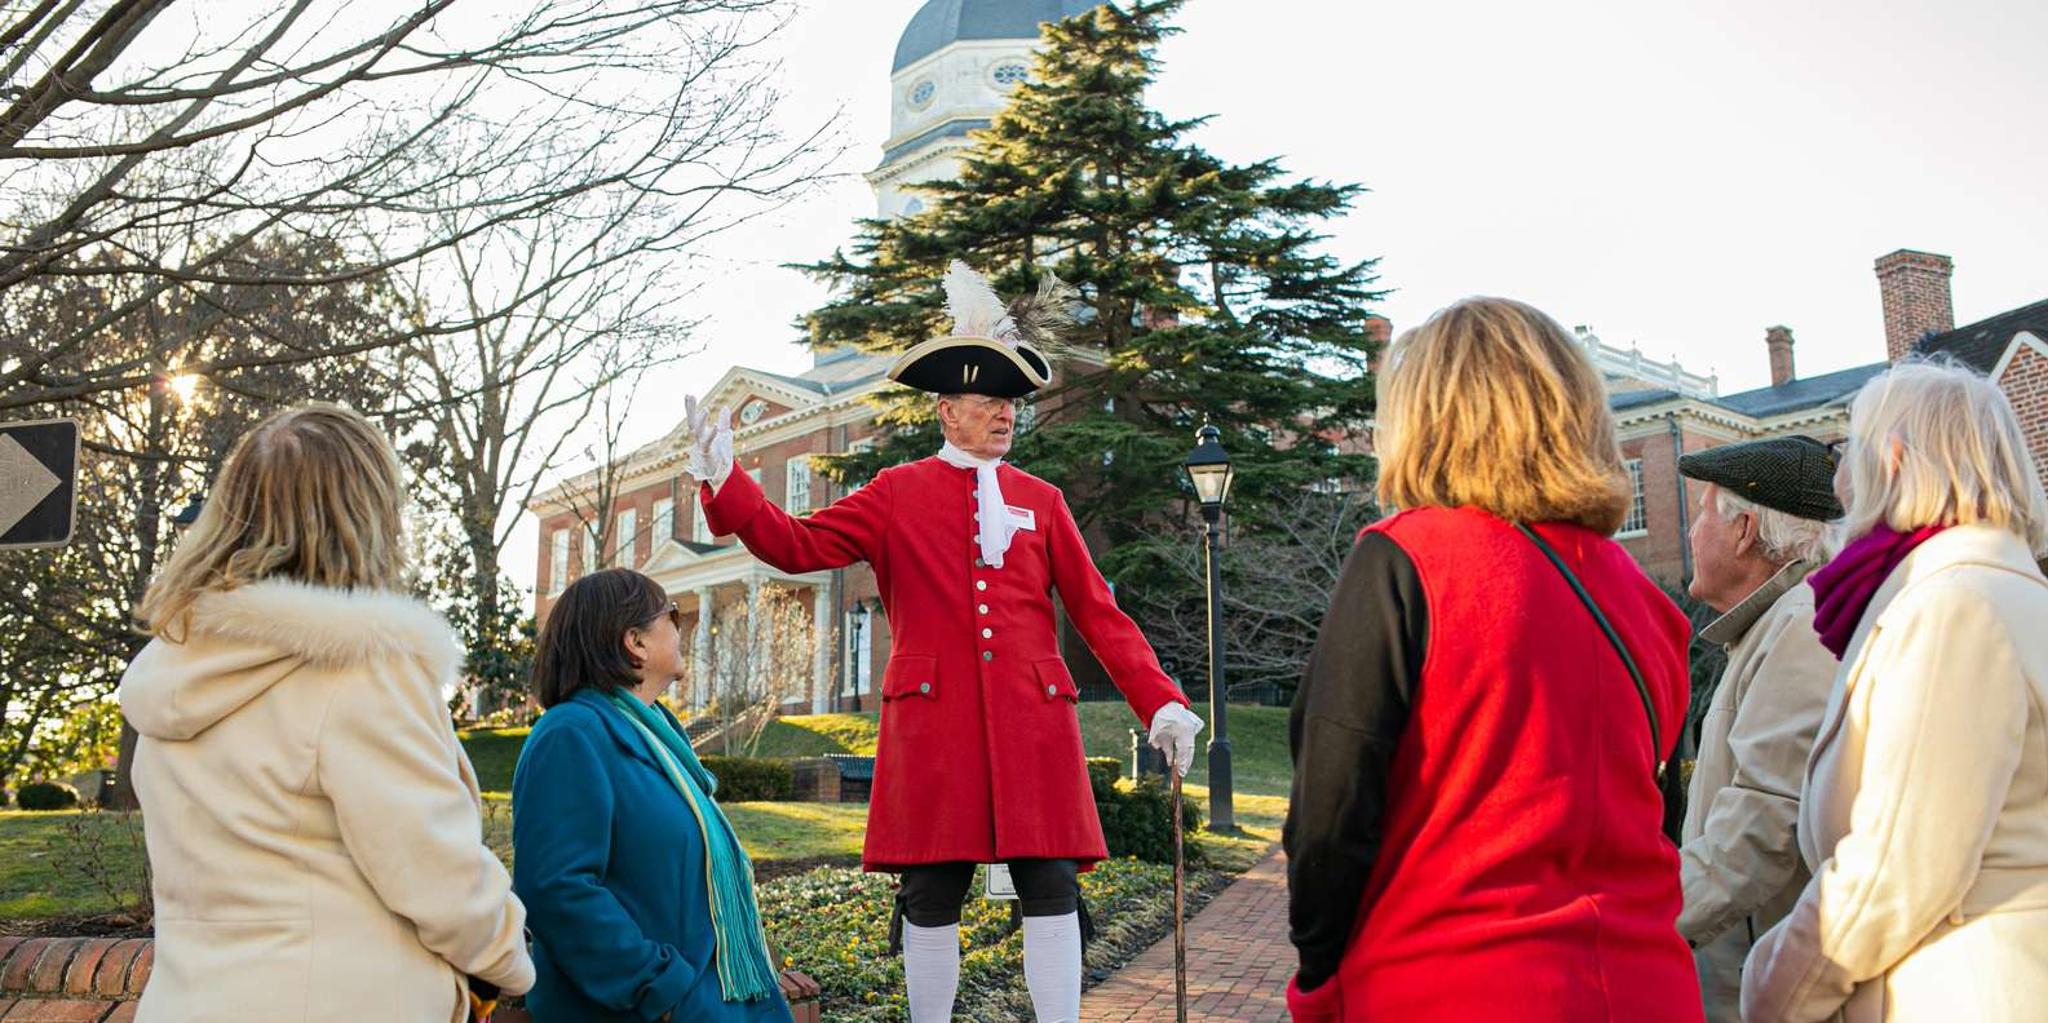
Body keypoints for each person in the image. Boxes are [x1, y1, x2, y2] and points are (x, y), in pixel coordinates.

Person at [683, 260, 1203, 1023]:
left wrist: (1160, 702)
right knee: (931, 892)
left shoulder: (1043, 500)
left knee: (1052, 885)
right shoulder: (896, 492)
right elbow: (795, 544)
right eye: (988, 403)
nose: (1004, 416)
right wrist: (727, 479)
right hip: (936, 724)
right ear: (946, 411)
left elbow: (1099, 612)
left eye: (1011, 403)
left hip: (1033, 722)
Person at [1284, 296, 1702, 1023]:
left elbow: (1332, 811)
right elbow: (1661, 809)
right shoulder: (1648, 601)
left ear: (1428, 418)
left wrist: (1318, 977)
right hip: (1648, 983)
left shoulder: (1407, 558)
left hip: (1454, 980)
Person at [120, 403, 533, 1023]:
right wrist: (510, 961)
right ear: (368, 515)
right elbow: (436, 874)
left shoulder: (173, 664)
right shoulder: (360, 668)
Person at [1742, 360, 2048, 1022]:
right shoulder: (2003, 592)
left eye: (1846, 450)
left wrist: (1772, 988)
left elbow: (1896, 869)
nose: (1839, 481)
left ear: (1894, 458)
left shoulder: (1952, 608)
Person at [512, 568, 792, 1023]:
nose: (681, 630)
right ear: (635, 642)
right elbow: (556, 889)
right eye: (672, 616)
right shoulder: (571, 735)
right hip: (653, 1008)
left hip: (715, 1001)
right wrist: (661, 989)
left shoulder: (659, 739)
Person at [1674, 436, 1842, 1022]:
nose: (1692, 534)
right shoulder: (1778, 625)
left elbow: (1763, 822)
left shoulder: (1801, 625)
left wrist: (1646, 921)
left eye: (1702, 514)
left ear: (1745, 530)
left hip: (1768, 991)